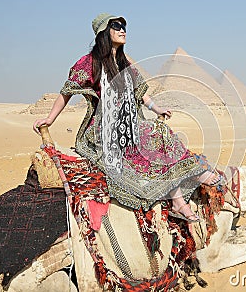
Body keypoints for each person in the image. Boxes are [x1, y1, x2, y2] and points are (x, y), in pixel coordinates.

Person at [33, 12, 222, 222]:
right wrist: (50, 118)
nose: (123, 30)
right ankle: (187, 188)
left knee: (160, 134)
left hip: (130, 124)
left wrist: (157, 109)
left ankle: (180, 198)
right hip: (104, 131)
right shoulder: (89, 62)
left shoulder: (124, 61)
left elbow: (140, 92)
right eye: (116, 25)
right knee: (153, 139)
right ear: (104, 32)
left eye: (124, 25)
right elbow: (67, 91)